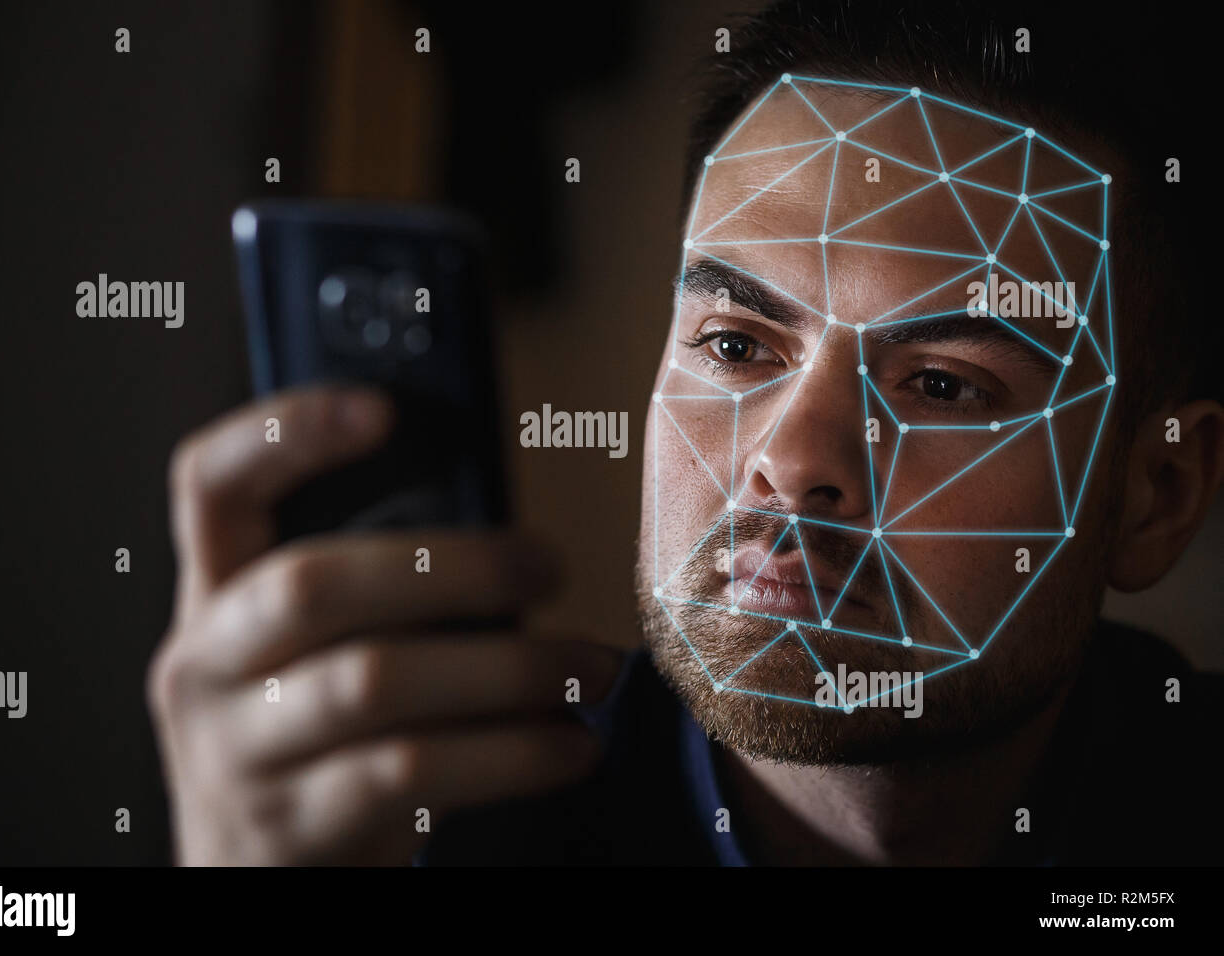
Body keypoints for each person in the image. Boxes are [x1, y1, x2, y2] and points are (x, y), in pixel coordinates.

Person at [146, 0, 1223, 865]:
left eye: (943, 384)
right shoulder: (415, 831)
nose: (792, 462)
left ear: (1156, 493)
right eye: (735, 344)